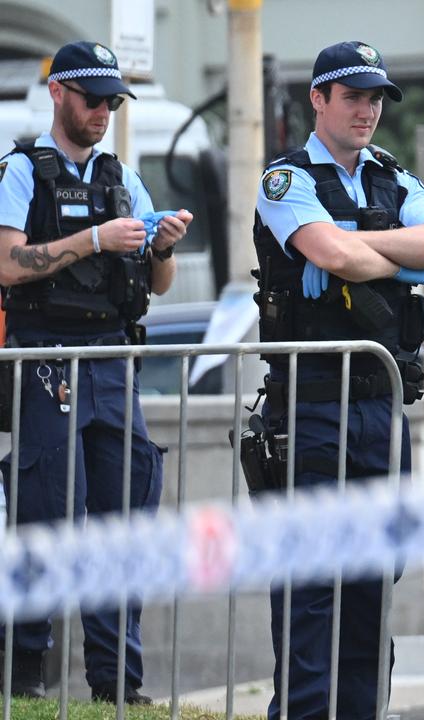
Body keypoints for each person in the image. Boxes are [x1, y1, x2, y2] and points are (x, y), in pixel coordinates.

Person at [252, 41, 424, 720]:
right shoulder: (285, 179)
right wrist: (391, 258)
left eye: (375, 99)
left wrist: (352, 253)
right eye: (353, 96)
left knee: (375, 583)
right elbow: (332, 251)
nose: (367, 110)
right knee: (312, 582)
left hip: (380, 407)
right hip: (310, 406)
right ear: (318, 98)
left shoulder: (395, 179)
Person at [0, 41, 194, 703]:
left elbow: (159, 283)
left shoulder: (121, 177)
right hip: (46, 361)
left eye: (113, 101)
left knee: (122, 520)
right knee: (45, 519)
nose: (104, 112)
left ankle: (118, 687)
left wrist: (162, 245)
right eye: (92, 99)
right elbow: (6, 264)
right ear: (58, 93)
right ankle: (25, 679)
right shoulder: (22, 171)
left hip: (112, 360)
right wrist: (93, 239)